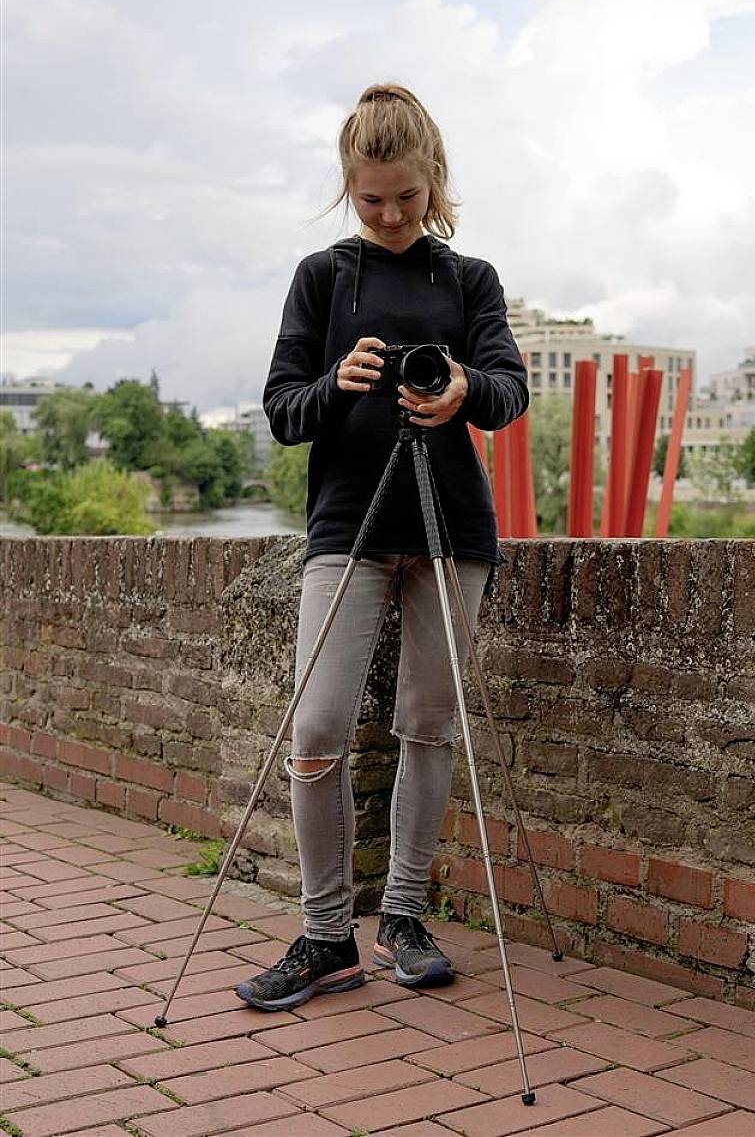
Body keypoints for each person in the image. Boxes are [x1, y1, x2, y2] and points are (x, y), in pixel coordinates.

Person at [235, 82, 529, 1012]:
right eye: (373, 200)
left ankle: (401, 913)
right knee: (317, 727)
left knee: (428, 724)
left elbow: (511, 389)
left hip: (452, 529)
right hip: (345, 529)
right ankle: (327, 934)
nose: (392, 214)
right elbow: (283, 410)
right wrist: (338, 381)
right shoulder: (323, 276)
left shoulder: (470, 278)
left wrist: (463, 394)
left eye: (406, 196)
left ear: (432, 180)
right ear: (348, 189)